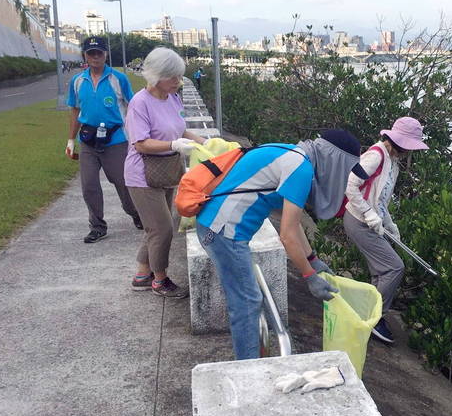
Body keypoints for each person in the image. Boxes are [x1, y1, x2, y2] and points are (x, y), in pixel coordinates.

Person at [195, 130, 363, 360]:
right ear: (335, 160)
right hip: (223, 232)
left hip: (219, 227)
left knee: (248, 299)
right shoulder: (300, 170)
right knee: (247, 303)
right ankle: (249, 370)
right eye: (347, 168)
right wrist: (309, 276)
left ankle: (249, 362)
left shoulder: (294, 155)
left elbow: (292, 225)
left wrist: (313, 260)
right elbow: (287, 235)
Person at [124, 47, 206, 298]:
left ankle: (142, 274)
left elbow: (180, 130)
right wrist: (172, 146)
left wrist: (204, 143)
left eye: (179, 77)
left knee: (154, 227)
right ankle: (160, 280)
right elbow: (140, 143)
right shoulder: (140, 103)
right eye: (173, 77)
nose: (178, 82)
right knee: (162, 228)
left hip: (167, 170)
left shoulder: (173, 98)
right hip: (142, 174)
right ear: (157, 75)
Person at [343, 117, 429, 344]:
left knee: (381, 271)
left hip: (370, 221)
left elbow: (380, 200)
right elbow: (351, 186)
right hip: (358, 221)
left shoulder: (392, 162)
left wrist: (389, 224)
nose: (409, 151)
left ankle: (368, 313)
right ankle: (374, 318)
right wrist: (368, 214)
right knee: (394, 267)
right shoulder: (376, 155)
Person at [66, 36, 141, 243]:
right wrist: (71, 140)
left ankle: (135, 213)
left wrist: (137, 137)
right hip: (88, 141)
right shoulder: (78, 81)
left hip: (116, 140)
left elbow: (134, 107)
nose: (95, 57)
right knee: (89, 185)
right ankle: (97, 226)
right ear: (85, 56)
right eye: (91, 53)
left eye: (99, 53)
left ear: (105, 54)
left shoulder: (118, 79)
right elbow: (74, 110)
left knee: (123, 183)